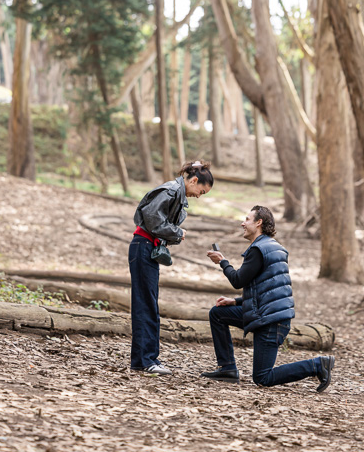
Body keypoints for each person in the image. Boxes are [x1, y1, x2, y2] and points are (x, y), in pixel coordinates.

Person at [201, 205, 335, 391]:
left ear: (259, 222)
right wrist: (236, 302)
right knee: (218, 313)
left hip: (271, 321)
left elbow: (238, 280)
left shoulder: (258, 249)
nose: (243, 223)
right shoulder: (274, 247)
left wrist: (223, 262)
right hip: (266, 314)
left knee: (263, 377)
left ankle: (317, 365)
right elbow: (268, 289)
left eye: (247, 219)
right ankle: (227, 369)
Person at [129, 160, 214, 375]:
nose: (198, 196)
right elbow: (151, 217)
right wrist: (177, 233)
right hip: (144, 247)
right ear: (194, 181)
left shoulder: (177, 192)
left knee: (147, 303)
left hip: (148, 248)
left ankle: (142, 360)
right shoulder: (172, 190)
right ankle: (148, 360)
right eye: (201, 191)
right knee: (147, 305)